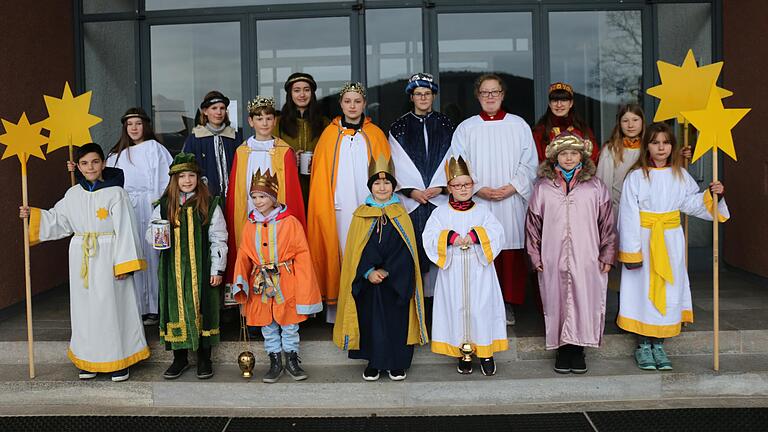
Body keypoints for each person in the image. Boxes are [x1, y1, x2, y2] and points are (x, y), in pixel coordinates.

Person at [20, 143, 149, 382]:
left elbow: (126, 229)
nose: (90, 167)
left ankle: (118, 360)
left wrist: (124, 264)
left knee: (112, 309)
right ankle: (88, 357)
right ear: (78, 166)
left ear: (103, 164)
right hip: (82, 257)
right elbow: (59, 220)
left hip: (110, 257)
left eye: (95, 162)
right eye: (84, 163)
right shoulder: (73, 194)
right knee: (85, 311)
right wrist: (33, 216)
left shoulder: (116, 193)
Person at [617, 122, 729, 371]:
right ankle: (643, 344)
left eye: (666, 143)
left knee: (667, 288)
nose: (661, 147)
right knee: (643, 288)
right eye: (655, 142)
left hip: (669, 240)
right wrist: (632, 250)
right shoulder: (636, 177)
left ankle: (660, 343)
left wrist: (713, 194)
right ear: (647, 145)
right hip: (644, 239)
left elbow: (693, 203)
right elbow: (627, 214)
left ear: (672, 146)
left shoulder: (680, 174)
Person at [449, 73, 537, 326]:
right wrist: (478, 188)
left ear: (502, 95)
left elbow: (529, 162)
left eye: (495, 92)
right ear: (477, 96)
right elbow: (458, 162)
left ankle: (507, 304)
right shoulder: (466, 128)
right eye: (485, 92)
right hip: (480, 201)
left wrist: (513, 186)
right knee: (481, 249)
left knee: (509, 250)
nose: (490, 96)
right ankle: (483, 305)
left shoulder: (518, 125)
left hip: (511, 200)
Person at [525, 133, 617, 374]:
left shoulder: (595, 186)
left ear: (581, 157)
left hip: (587, 255)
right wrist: (535, 256)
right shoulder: (544, 187)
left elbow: (607, 222)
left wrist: (607, 253)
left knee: (584, 300)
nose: (568, 158)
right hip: (552, 255)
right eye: (563, 153)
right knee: (557, 301)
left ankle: (579, 350)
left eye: (573, 153)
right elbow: (533, 223)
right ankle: (562, 349)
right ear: (555, 156)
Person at [333, 155, 429, 381]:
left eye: (387, 183)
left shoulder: (401, 214)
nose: (382, 187)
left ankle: (397, 364)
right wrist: (368, 272)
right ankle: (374, 363)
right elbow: (357, 252)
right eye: (377, 183)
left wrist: (387, 271)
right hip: (369, 284)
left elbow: (406, 251)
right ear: (370, 186)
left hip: (396, 283)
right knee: (371, 323)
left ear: (394, 186)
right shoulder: (361, 214)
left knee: (397, 323)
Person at [307, 82, 391, 323]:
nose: (352, 106)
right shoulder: (329, 135)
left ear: (364, 104)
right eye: (347, 101)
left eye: (357, 101)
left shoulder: (375, 134)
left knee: (368, 252)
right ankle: (338, 314)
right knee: (340, 253)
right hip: (338, 208)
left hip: (369, 206)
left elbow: (386, 173)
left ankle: (369, 307)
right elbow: (321, 176)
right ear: (341, 104)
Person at [233, 168, 322, 383]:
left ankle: (291, 360)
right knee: (267, 324)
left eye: (262, 196)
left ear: (273, 198)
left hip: (286, 281)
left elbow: (302, 255)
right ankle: (274, 362)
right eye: (254, 197)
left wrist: (304, 287)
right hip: (260, 283)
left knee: (289, 323)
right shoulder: (250, 225)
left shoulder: (290, 223)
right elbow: (244, 254)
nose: (257, 201)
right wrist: (240, 281)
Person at [423, 155, 508, 376]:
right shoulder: (440, 213)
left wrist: (475, 235)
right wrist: (449, 238)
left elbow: (497, 233)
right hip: (452, 272)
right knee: (457, 310)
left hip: (480, 272)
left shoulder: (482, 211)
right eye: (457, 185)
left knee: (481, 310)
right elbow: (429, 237)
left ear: (473, 186)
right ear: (449, 188)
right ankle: (463, 353)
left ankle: (486, 353)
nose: (462, 189)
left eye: (467, 184)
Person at [146, 153, 227, 380]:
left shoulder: (209, 205)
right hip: (173, 272)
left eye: (191, 175)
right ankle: (179, 359)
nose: (187, 180)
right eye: (182, 176)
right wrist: (156, 235)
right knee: (175, 311)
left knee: (203, 310)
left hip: (201, 271)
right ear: (174, 179)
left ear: (198, 178)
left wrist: (217, 269)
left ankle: (204, 358)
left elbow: (219, 238)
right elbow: (149, 234)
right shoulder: (163, 206)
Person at [388, 73, 454, 321]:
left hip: (439, 199)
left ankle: (441, 309)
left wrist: (440, 185)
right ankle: (418, 311)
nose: (423, 98)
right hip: (412, 201)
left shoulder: (447, 124)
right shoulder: (399, 126)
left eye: (427, 93)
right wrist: (412, 190)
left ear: (433, 96)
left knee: (441, 251)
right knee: (415, 253)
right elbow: (396, 161)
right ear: (411, 97)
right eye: (418, 94)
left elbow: (453, 155)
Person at [225, 96, 305, 282]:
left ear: (275, 121)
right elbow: (236, 192)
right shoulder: (242, 151)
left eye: (269, 118)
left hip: (275, 217)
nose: (264, 123)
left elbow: (291, 193)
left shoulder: (284, 151)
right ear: (250, 121)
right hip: (249, 210)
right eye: (259, 119)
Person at [107, 108, 173, 325]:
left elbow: (167, 180)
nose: (134, 128)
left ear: (146, 125)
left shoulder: (155, 149)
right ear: (125, 128)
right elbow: (104, 182)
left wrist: (160, 207)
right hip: (128, 209)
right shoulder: (115, 155)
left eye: (138, 123)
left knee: (152, 255)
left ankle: (155, 306)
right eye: (130, 124)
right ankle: (137, 307)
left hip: (150, 205)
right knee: (132, 253)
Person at [274, 72, 330, 207]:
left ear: (312, 93)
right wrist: (290, 158)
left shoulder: (325, 123)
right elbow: (272, 154)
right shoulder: (279, 123)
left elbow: (332, 154)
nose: (302, 95)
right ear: (290, 94)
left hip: (317, 185)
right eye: (297, 90)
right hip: (289, 184)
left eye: (306, 90)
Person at [182, 90, 242, 198]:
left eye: (222, 108)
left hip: (234, 196)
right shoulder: (195, 139)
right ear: (205, 111)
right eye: (214, 108)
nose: (219, 112)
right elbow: (186, 169)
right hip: (205, 197)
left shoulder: (235, 138)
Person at [532, 82, 599, 164]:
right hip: (549, 176)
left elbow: (593, 159)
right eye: (555, 100)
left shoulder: (583, 130)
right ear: (549, 104)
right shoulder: (540, 131)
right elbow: (534, 162)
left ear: (571, 103)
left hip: (580, 176)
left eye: (564, 100)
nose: (559, 105)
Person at [595, 103, 646, 211]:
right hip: (619, 211)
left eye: (635, 120)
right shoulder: (611, 150)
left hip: (646, 213)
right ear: (619, 124)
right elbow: (604, 185)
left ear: (642, 122)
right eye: (625, 121)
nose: (630, 125)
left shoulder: (650, 149)